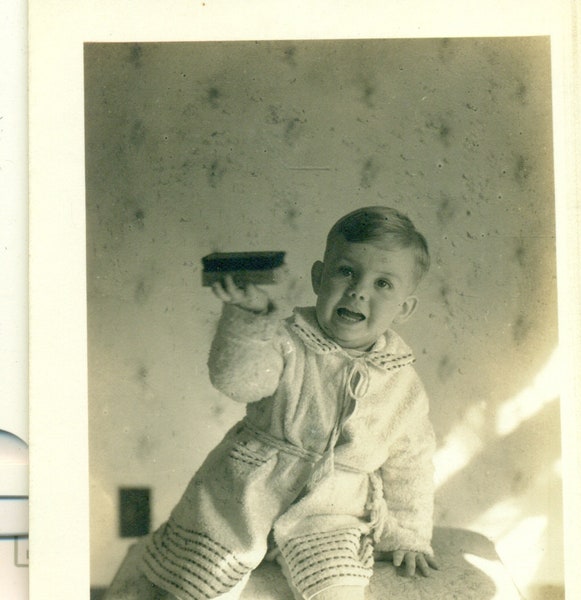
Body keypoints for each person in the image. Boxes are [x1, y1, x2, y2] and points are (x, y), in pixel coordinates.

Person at [106, 206, 438, 600]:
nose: (358, 290)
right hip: (246, 490)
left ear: (404, 308)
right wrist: (250, 318)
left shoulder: (402, 383)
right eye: (346, 271)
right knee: (192, 581)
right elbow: (238, 381)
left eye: (383, 283)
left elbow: (411, 462)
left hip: (331, 510)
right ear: (318, 277)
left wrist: (409, 535)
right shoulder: (285, 339)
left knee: (339, 590)